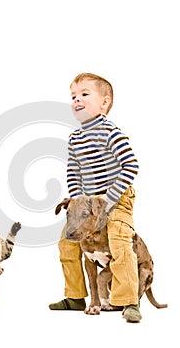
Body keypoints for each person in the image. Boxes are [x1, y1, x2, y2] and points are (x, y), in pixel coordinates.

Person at [49, 73, 142, 323]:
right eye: (73, 96)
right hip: (87, 202)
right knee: (67, 241)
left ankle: (128, 300)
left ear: (104, 102)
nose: (77, 100)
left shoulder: (111, 132)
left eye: (84, 94)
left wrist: (109, 200)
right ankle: (76, 295)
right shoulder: (75, 139)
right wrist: (79, 202)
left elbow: (131, 166)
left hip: (116, 198)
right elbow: (73, 171)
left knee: (119, 239)